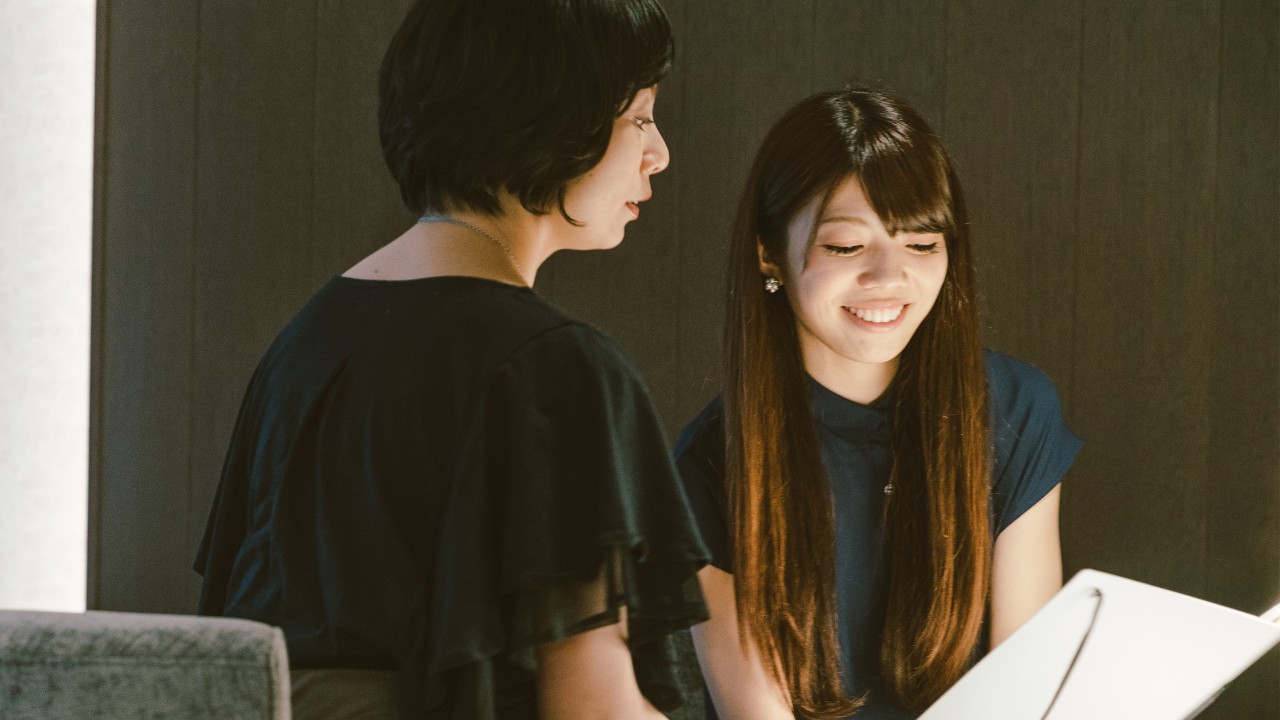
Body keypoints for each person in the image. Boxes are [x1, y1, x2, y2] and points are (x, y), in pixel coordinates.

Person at [193, 1, 709, 718]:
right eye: (641, 118)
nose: (660, 154)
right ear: (556, 119)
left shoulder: (303, 343)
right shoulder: (558, 369)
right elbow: (590, 704)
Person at [675, 88, 1083, 719]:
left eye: (923, 245)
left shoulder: (1012, 411)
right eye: (845, 246)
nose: (890, 278)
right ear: (768, 251)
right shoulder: (713, 461)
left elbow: (1024, 694)